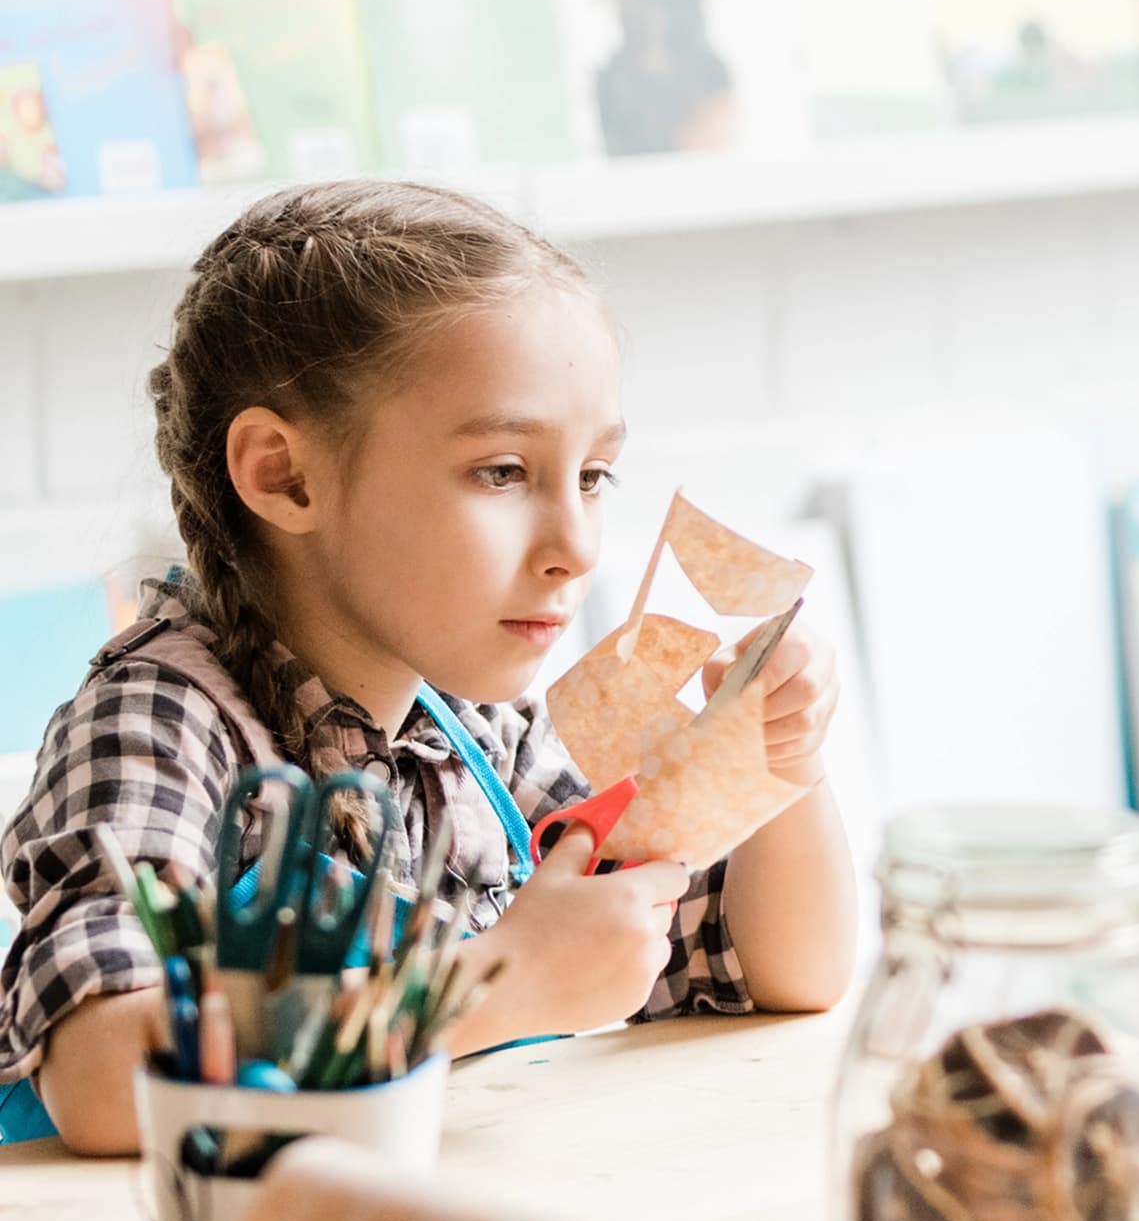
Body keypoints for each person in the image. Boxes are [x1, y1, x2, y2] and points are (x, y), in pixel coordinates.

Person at [0, 180, 860, 1153]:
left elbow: (782, 969)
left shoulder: (473, 739)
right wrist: (492, 984)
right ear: (284, 475)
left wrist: (781, 762)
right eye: (502, 472)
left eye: (593, 476)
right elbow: (103, 1068)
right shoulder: (159, 724)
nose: (577, 546)